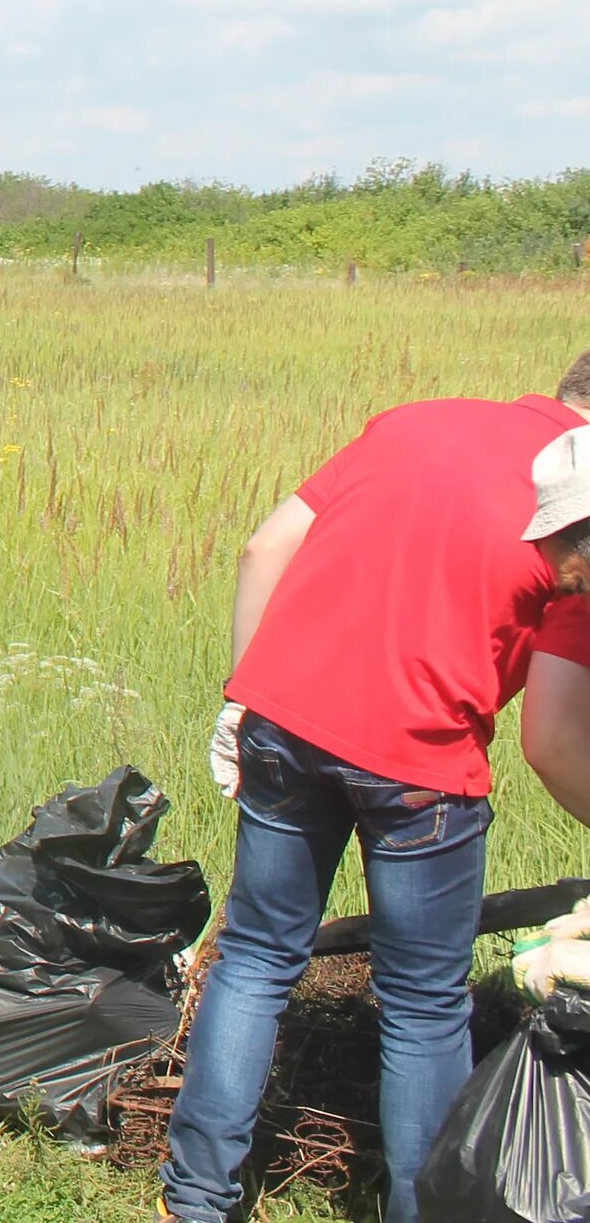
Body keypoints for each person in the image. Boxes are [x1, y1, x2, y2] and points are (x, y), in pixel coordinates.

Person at [161, 355, 590, 1223]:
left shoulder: (416, 419)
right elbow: (550, 738)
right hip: (423, 766)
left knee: (253, 959)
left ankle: (195, 1200)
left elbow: (263, 546)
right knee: (424, 1005)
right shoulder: (575, 512)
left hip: (283, 726)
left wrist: (242, 696)